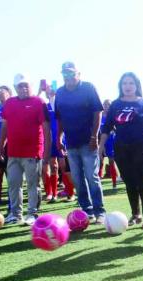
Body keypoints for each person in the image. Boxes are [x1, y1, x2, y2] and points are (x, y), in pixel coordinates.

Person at [99, 72, 143, 228]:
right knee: (130, 183)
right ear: (121, 86)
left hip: (142, 148)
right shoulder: (115, 105)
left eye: (131, 83)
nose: (128, 86)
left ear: (136, 85)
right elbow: (106, 127)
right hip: (122, 149)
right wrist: (100, 146)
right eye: (124, 83)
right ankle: (135, 214)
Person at [55, 61, 105, 223]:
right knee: (77, 178)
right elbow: (59, 118)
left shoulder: (88, 88)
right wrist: (59, 137)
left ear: (78, 74)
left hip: (88, 141)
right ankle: (86, 211)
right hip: (71, 143)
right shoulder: (60, 93)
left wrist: (94, 137)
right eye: (65, 74)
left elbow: (98, 113)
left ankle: (99, 211)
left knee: (92, 176)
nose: (68, 77)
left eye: (71, 73)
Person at [0, 74, 51, 226]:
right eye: (20, 86)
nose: (23, 88)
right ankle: (15, 214)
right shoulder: (9, 103)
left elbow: (46, 129)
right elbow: (4, 126)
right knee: (14, 184)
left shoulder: (38, 101)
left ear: (31, 86)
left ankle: (32, 213)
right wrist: (1, 145)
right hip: (13, 152)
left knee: (32, 184)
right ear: (15, 88)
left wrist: (46, 152)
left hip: (32, 151)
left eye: (26, 85)